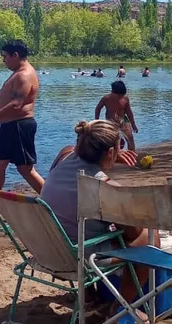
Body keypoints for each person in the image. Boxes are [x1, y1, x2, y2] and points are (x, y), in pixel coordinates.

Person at [41, 119, 159, 304]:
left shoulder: (64, 155)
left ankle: (88, 293)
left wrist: (108, 158)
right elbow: (134, 234)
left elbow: (74, 153)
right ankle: (122, 308)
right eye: (119, 147)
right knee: (149, 238)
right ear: (110, 152)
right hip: (79, 257)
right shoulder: (105, 187)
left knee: (80, 223)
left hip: (48, 249)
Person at [0, 39, 44, 197]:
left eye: (5, 56)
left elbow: (16, 104)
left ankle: (54, 201)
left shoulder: (24, 75)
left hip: (19, 126)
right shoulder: (19, 73)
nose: (3, 60)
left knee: (25, 169)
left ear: (15, 55)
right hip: (9, 127)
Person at [95, 80, 139, 151]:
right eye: (119, 95)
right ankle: (114, 153)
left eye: (122, 95)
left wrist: (133, 124)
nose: (120, 96)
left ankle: (132, 153)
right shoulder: (106, 98)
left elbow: (129, 112)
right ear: (113, 91)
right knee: (113, 140)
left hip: (123, 119)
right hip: (111, 121)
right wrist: (97, 121)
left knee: (130, 138)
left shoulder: (125, 98)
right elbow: (98, 108)